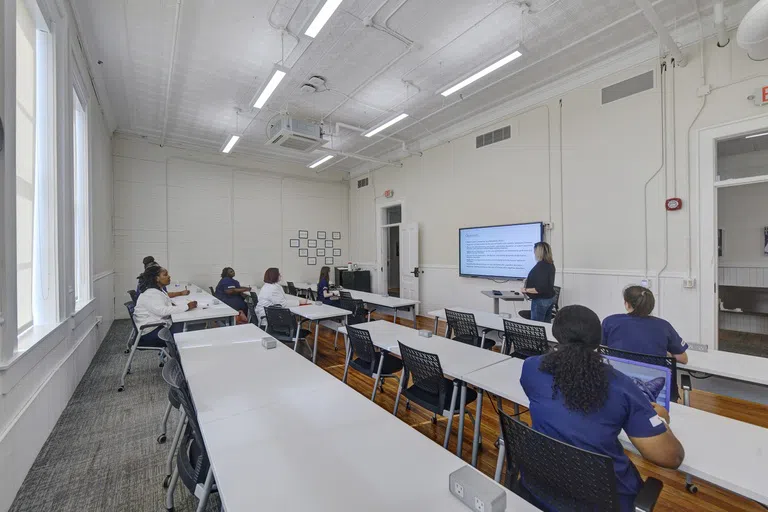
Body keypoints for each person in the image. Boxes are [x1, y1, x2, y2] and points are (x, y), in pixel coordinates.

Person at [520, 305, 684, 511]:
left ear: (556, 333)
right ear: (598, 339)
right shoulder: (622, 386)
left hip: (540, 487)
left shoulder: (532, 368)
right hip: (606, 502)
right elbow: (671, 457)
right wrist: (659, 418)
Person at [602, 286, 689, 364]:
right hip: (653, 380)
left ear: (627, 304)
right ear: (651, 305)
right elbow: (683, 359)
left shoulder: (610, 322)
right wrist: (667, 353)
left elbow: (601, 349)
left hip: (617, 378)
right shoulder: (664, 326)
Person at [133, 265, 197, 344]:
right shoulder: (151, 293)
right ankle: (179, 353)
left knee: (187, 325)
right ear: (157, 278)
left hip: (156, 326)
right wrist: (187, 306)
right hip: (151, 332)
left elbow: (162, 305)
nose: (169, 276)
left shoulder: (157, 291)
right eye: (165, 275)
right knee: (188, 332)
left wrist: (176, 306)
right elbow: (163, 311)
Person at [521, 241, 557, 322]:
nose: (534, 253)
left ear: (539, 252)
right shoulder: (550, 264)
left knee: (537, 326)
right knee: (546, 324)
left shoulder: (541, 266)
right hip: (549, 299)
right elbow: (545, 282)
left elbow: (539, 289)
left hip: (540, 301)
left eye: (534, 251)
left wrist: (525, 290)